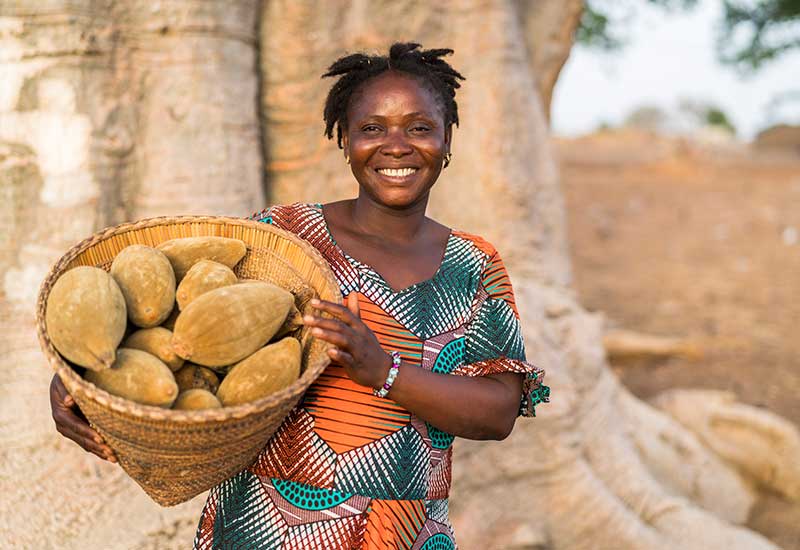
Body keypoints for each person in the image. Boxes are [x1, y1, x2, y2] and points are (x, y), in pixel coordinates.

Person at [50, 42, 550, 549]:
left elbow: (498, 413)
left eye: (419, 127)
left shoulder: (474, 265)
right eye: (371, 128)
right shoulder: (285, 235)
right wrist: (81, 379)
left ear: (447, 140)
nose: (395, 145)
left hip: (405, 532)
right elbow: (175, 323)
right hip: (263, 525)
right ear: (345, 139)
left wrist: (384, 371)